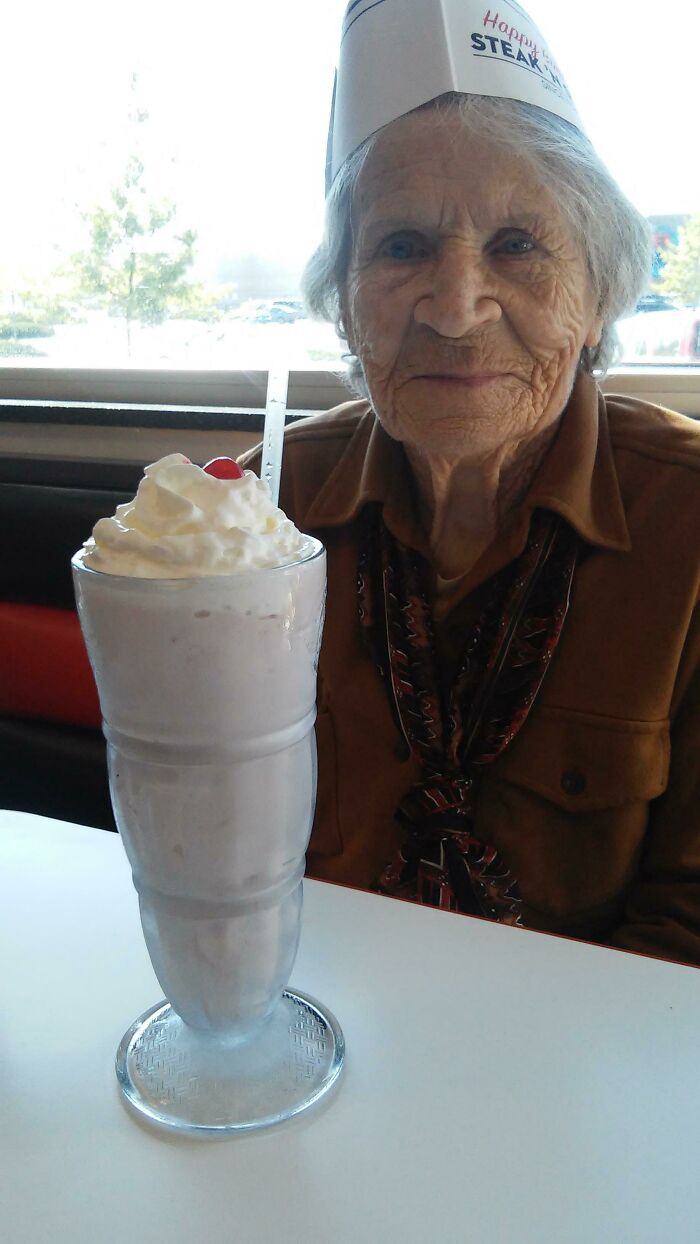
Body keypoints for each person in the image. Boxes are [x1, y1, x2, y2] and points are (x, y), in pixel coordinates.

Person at [243, 7, 700, 965]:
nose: (454, 309)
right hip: (313, 1017)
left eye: (517, 247)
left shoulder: (688, 525)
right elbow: (215, 832)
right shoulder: (257, 510)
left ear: (598, 293)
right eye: (402, 246)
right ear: (345, 299)